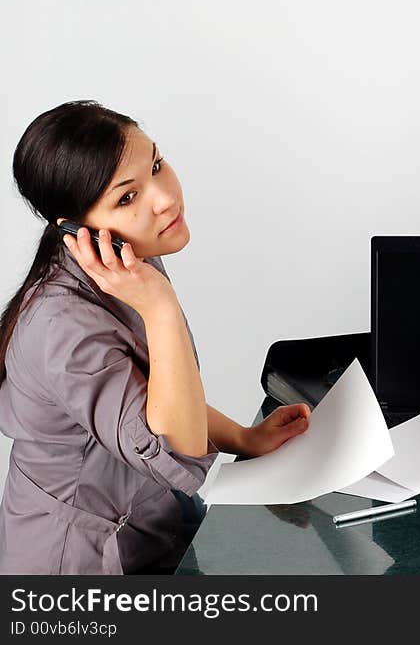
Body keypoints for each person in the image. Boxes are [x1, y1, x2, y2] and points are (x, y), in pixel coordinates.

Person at [0, 101, 311, 574]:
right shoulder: (62, 330)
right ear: (75, 228)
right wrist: (160, 307)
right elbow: (175, 448)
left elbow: (153, 397)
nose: (164, 197)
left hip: (152, 527)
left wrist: (244, 438)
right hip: (77, 568)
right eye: (127, 198)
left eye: (157, 166)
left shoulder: (124, 261)